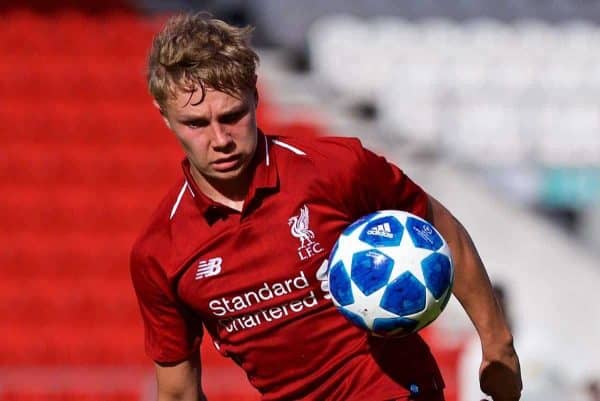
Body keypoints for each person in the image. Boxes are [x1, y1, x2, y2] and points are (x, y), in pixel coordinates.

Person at [130, 12, 522, 401]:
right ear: (164, 116)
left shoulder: (333, 168)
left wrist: (497, 342)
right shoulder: (160, 252)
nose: (220, 139)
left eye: (232, 116)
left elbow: (438, 227)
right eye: (196, 124)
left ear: (255, 92)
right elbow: (178, 391)